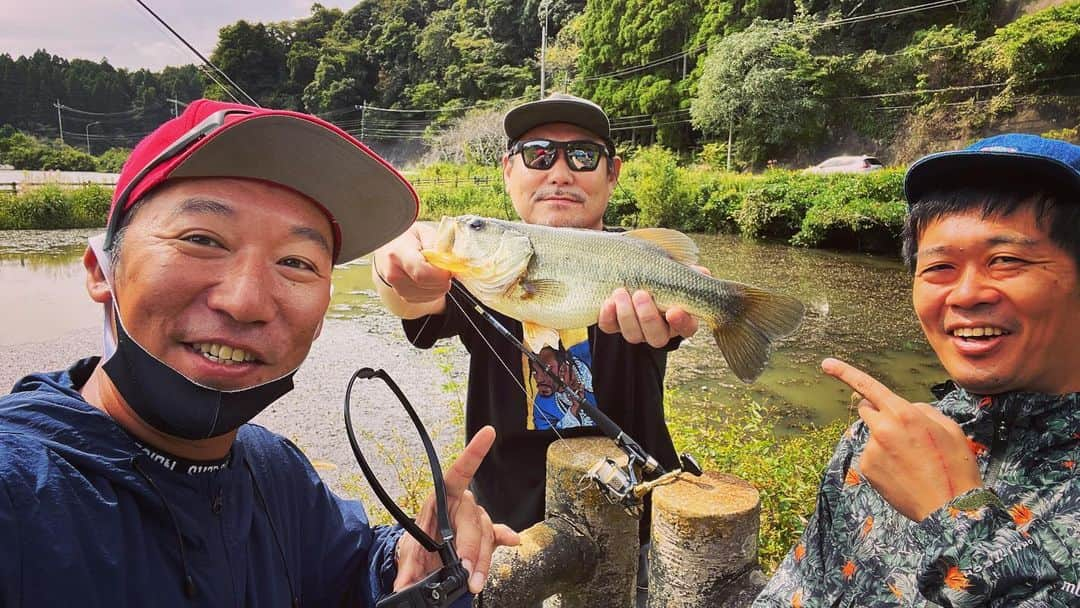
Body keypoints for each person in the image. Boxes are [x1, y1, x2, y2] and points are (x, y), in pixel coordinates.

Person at [0, 99, 518, 607]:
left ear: (321, 317)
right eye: (202, 239)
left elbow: (350, 570)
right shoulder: (18, 490)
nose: (245, 301)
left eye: (295, 262)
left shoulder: (274, 474)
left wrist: (411, 559)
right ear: (99, 270)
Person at [754, 134, 1080, 606]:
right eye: (939, 267)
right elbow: (798, 591)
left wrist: (957, 517)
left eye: (1006, 260)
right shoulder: (882, 442)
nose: (966, 294)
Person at [371, 93, 703, 534]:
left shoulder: (640, 261)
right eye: (537, 154)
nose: (560, 173)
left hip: (638, 527)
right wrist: (389, 264)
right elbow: (409, 296)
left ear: (612, 173)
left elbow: (684, 311)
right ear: (509, 171)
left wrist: (709, 302)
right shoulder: (483, 270)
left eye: (583, 155)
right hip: (508, 533)